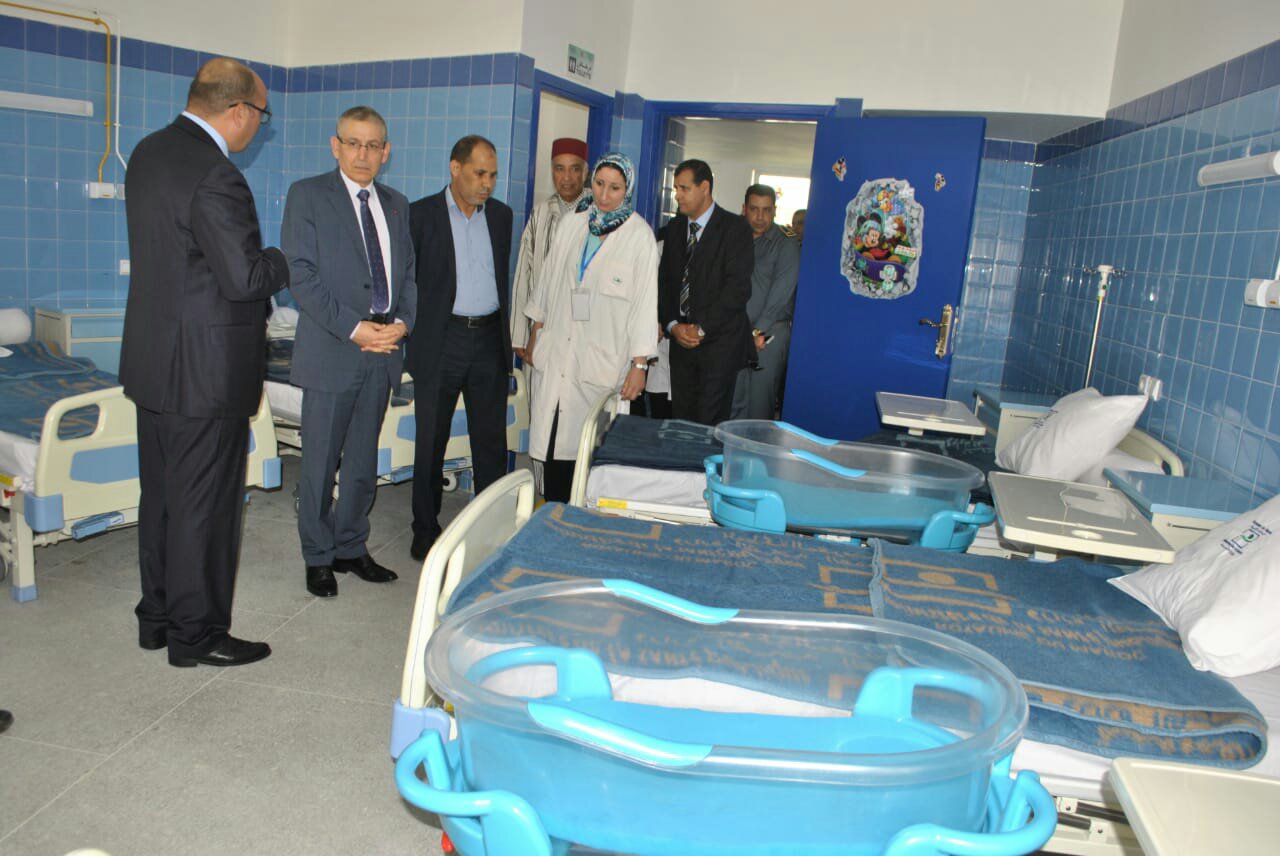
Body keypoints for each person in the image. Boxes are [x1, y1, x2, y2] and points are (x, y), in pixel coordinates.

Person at [120, 57, 288, 668]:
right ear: (238, 110)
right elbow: (245, 278)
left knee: (163, 500)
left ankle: (158, 619)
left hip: (154, 365)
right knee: (206, 510)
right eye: (261, 114)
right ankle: (197, 636)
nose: (260, 126)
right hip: (206, 375)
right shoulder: (218, 174)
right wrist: (283, 258)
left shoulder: (148, 152)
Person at [282, 106, 416, 598]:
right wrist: (355, 328)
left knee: (362, 462)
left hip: (383, 351)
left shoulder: (397, 204)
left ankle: (350, 546)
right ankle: (318, 556)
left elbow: (409, 275)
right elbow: (300, 276)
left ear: (386, 152)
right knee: (320, 462)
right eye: (353, 143)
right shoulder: (308, 196)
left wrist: (403, 323)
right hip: (333, 347)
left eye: (373, 145)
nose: (363, 154)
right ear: (335, 146)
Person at [524, 153, 658, 501]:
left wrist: (640, 365)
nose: (604, 195)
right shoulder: (574, 222)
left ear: (627, 190)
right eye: (599, 184)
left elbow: (645, 304)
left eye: (615, 188)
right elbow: (548, 279)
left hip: (601, 359)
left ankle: (579, 521)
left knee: (589, 453)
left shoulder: (639, 236)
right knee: (552, 446)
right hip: (558, 349)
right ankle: (553, 516)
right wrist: (536, 331)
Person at [406, 136, 513, 561]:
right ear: (455, 168)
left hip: (488, 338)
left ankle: (489, 528)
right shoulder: (420, 215)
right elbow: (408, 282)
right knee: (430, 440)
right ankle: (424, 527)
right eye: (479, 174)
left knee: (491, 442)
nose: (487, 184)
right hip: (442, 339)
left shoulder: (501, 217)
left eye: (493, 175)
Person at [657, 159, 754, 425]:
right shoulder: (675, 229)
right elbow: (665, 283)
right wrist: (673, 325)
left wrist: (700, 329)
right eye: (676, 188)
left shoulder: (735, 229)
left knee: (709, 423)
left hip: (718, 344)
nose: (677, 195)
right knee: (682, 421)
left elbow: (737, 290)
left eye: (684, 188)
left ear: (705, 187)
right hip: (681, 344)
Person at [511, 137, 589, 362]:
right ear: (552, 172)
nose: (567, 177)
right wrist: (519, 334)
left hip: (581, 329)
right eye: (559, 169)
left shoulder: (596, 214)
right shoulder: (541, 212)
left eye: (575, 169)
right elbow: (524, 273)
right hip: (541, 326)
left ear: (585, 173)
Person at [731, 185, 801, 420]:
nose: (760, 217)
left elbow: (781, 293)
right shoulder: (733, 238)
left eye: (766, 210)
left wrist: (757, 330)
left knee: (759, 402)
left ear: (774, 211)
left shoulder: (786, 242)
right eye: (754, 209)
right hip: (736, 330)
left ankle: (757, 445)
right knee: (733, 399)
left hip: (769, 332)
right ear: (744, 209)